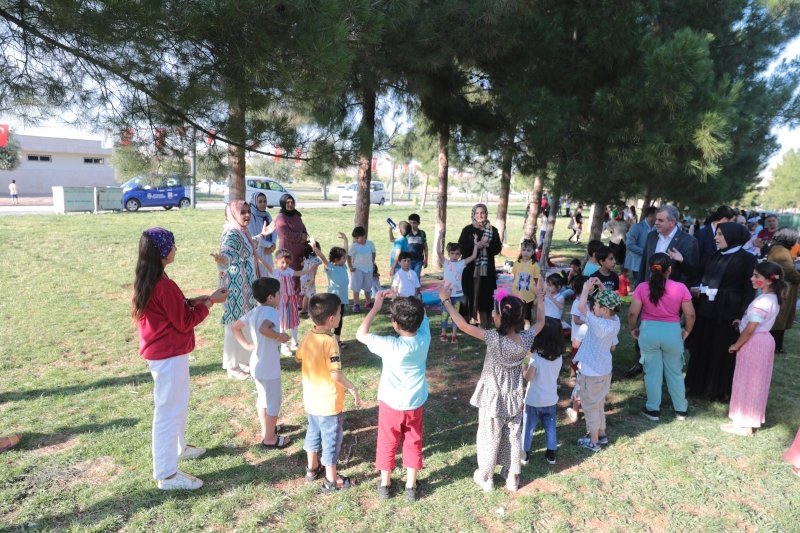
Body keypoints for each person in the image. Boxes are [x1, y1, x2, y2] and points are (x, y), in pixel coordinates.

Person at [133, 227, 229, 490]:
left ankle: (179, 448)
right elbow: (185, 322)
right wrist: (209, 303)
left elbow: (173, 309)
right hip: (167, 356)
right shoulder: (161, 284)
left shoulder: (154, 277)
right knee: (168, 412)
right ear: (163, 251)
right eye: (173, 245)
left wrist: (193, 300)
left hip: (167, 353)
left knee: (177, 405)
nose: (176, 249)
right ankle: (166, 475)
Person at [438, 277, 547, 492]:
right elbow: (541, 322)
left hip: (493, 397)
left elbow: (462, 325)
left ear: (498, 318)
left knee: (489, 436)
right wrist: (540, 296)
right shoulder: (525, 340)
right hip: (514, 396)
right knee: (513, 436)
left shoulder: (493, 339)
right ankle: (512, 478)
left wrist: (446, 301)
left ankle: (486, 478)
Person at [356, 292, 431, 502]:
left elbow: (360, 335)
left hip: (390, 404)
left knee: (387, 441)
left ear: (395, 324)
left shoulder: (389, 344)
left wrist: (375, 308)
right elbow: (421, 314)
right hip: (415, 403)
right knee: (413, 441)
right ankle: (411, 486)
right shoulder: (424, 338)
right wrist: (402, 298)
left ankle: (385, 484)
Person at [685, 222, 757, 401]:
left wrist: (741, 315)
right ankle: (697, 384)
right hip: (707, 309)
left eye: (720, 235)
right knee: (702, 346)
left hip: (728, 312)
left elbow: (749, 290)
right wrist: (681, 260)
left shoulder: (747, 259)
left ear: (732, 236)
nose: (715, 238)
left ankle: (719, 389)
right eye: (716, 234)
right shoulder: (715, 254)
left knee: (721, 349)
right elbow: (697, 271)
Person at [296, 293, 360, 492]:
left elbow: (299, 357)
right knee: (331, 440)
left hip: (311, 399)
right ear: (331, 319)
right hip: (328, 403)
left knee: (313, 432)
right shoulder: (330, 342)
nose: (341, 316)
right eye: (340, 313)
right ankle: (331, 480)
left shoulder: (308, 335)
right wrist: (352, 387)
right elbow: (335, 374)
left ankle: (312, 468)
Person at [721, 261, 786, 436]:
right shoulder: (771, 298)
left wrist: (736, 344)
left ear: (769, 281)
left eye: (757, 276)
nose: (752, 278)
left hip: (755, 343)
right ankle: (744, 422)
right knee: (754, 382)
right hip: (763, 341)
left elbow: (750, 329)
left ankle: (745, 424)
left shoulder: (762, 301)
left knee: (748, 382)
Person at [628, 253, 695, 422]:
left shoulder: (642, 287)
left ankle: (653, 409)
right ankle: (681, 410)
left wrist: (632, 328)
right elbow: (691, 314)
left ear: (650, 269)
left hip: (648, 331)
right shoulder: (680, 288)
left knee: (652, 373)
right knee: (675, 372)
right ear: (670, 269)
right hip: (672, 332)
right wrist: (686, 330)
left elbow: (633, 312)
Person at [231, 277, 292, 448]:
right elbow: (264, 329)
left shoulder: (254, 311)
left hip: (256, 363)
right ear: (271, 297)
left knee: (263, 400)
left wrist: (247, 345)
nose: (280, 296)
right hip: (269, 366)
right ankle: (270, 439)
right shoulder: (273, 311)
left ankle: (268, 429)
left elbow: (235, 327)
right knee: (273, 402)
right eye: (279, 293)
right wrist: (281, 337)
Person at [212, 201, 263, 380]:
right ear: (233, 214)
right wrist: (222, 258)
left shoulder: (242, 231)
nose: (247, 215)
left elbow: (248, 248)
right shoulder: (232, 233)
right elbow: (228, 252)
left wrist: (262, 235)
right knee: (235, 323)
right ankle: (232, 366)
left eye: (249, 211)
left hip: (246, 286)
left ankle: (243, 360)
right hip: (235, 287)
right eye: (242, 212)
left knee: (245, 321)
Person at [574, 278, 621, 452]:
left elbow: (580, 308)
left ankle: (593, 441)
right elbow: (611, 304)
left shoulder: (597, 323)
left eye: (595, 306)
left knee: (590, 407)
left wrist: (586, 288)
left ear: (604, 309)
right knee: (599, 403)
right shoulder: (615, 321)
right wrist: (602, 288)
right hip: (604, 372)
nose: (592, 308)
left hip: (591, 374)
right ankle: (602, 433)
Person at [521, 317, 566, 466]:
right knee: (550, 427)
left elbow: (529, 377)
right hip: (550, 399)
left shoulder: (536, 357)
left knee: (528, 428)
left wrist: (524, 367)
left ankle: (524, 454)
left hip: (533, 400)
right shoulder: (559, 357)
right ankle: (551, 454)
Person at [258, 248, 319, 356]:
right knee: (281, 322)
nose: (285, 265)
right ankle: (283, 345)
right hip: (281, 301)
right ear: (276, 261)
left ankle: (295, 343)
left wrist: (310, 270)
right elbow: (265, 264)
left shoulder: (289, 271)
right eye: (282, 262)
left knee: (294, 321)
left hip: (291, 300)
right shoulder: (275, 272)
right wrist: (259, 259)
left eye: (287, 263)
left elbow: (298, 273)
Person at [458, 204, 502, 327]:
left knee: (484, 293)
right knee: (469, 292)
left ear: (486, 214)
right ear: (473, 214)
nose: (479, 216)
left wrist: (487, 246)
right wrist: (475, 247)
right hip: (470, 267)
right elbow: (462, 247)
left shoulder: (492, 230)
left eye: (482, 213)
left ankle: (483, 321)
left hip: (486, 269)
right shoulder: (467, 230)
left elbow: (497, 248)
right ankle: (467, 320)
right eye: (477, 213)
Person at [764, 227, 800, 353]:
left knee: (780, 318)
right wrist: (798, 277)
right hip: (784, 288)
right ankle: (775, 347)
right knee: (780, 319)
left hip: (781, 286)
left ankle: (777, 346)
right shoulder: (781, 251)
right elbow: (789, 271)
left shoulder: (778, 248)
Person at [312, 233, 350, 349]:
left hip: (342, 299)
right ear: (336, 260)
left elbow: (346, 252)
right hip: (332, 299)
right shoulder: (330, 267)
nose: (345, 259)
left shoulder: (342, 266)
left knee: (339, 319)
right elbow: (322, 257)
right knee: (329, 318)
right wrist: (314, 248)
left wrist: (346, 240)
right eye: (343, 258)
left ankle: (337, 340)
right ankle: (325, 338)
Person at [437, 240, 479, 343]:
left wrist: (476, 244)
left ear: (460, 255)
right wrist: (439, 237)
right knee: (444, 314)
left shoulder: (461, 263)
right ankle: (443, 334)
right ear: (449, 253)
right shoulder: (446, 262)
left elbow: (473, 256)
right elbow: (438, 252)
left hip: (457, 295)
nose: (454, 256)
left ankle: (454, 335)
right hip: (446, 295)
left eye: (457, 254)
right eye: (452, 253)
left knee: (455, 315)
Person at [272, 194, 308, 294]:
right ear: (283, 203)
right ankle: (290, 298)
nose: (290, 204)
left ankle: (300, 301)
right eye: (287, 202)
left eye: (292, 202)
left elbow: (303, 227)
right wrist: (301, 237)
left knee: (299, 273)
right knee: (289, 272)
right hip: (288, 248)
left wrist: (304, 234)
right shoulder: (281, 217)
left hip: (299, 248)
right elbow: (285, 233)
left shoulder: (296, 215)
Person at [695, 206, 737, 276]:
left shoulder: (730, 235)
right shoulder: (701, 234)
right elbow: (695, 260)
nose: (734, 224)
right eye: (733, 221)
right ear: (725, 220)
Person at [510, 239, 541, 327]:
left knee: (526, 315)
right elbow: (515, 277)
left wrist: (537, 295)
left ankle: (526, 333)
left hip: (528, 296)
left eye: (528, 250)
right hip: (516, 295)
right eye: (524, 250)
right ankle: (516, 330)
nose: (525, 252)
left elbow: (536, 281)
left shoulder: (535, 266)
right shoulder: (517, 263)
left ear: (533, 252)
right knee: (516, 313)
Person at [624, 206, 657, 286]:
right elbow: (629, 245)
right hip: (637, 262)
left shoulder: (655, 229)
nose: (659, 217)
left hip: (650, 263)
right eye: (657, 214)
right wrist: (646, 252)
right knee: (639, 285)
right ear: (651, 215)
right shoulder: (636, 227)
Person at [348, 226, 376, 313]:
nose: (356, 240)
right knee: (356, 286)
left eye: (358, 238)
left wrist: (372, 262)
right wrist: (351, 267)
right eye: (355, 238)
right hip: (358, 269)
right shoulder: (354, 246)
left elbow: (373, 252)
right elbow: (348, 256)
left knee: (368, 285)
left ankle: (368, 302)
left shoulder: (370, 244)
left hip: (368, 269)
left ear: (364, 236)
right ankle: (356, 304)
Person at [568, 276, 590, 387]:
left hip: (587, 335)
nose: (593, 287)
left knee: (585, 355)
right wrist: (589, 323)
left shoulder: (589, 301)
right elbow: (576, 320)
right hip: (578, 336)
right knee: (575, 355)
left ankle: (582, 372)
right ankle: (573, 373)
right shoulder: (577, 303)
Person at [248, 191, 276, 272]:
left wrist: (273, 245)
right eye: (260, 202)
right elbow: (253, 236)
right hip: (258, 250)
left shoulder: (267, 215)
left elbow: (273, 230)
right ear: (254, 202)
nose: (263, 204)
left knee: (268, 275)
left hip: (268, 251)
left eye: (265, 201)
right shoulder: (251, 216)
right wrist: (269, 245)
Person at [299, 240, 323, 316]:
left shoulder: (305, 257)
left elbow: (302, 263)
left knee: (306, 295)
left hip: (302, 278)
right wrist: (313, 279)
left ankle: (303, 310)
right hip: (309, 279)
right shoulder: (316, 260)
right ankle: (310, 311)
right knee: (312, 296)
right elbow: (314, 270)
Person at [406, 214, 428, 281]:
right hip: (408, 260)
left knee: (416, 276)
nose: (412, 225)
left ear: (418, 223)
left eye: (414, 223)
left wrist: (426, 260)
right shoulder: (406, 233)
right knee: (408, 277)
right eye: (410, 223)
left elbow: (425, 247)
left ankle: (417, 291)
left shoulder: (422, 233)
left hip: (419, 260)